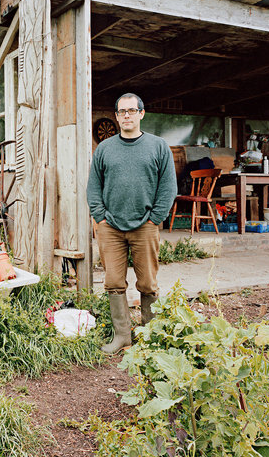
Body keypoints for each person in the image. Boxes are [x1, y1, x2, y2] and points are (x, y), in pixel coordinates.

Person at [87, 93, 177, 355]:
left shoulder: (158, 146)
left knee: (147, 282)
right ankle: (123, 336)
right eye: (122, 111)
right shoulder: (104, 149)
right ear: (116, 116)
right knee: (114, 282)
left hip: (145, 226)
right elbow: (94, 187)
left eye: (131, 110)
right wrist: (100, 217)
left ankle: (150, 335)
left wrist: (155, 218)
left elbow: (168, 187)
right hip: (111, 227)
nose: (127, 115)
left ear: (141, 114)